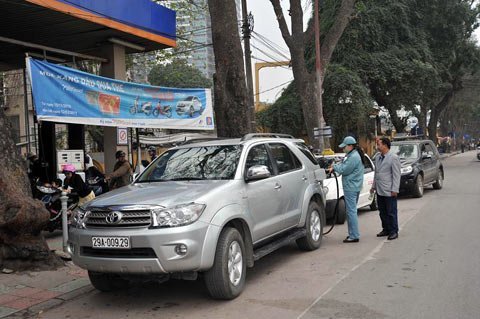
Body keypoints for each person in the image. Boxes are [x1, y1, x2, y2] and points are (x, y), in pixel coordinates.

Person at [328, 136, 365, 243]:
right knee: (352, 211)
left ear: (350, 146)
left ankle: (353, 235)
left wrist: (334, 167)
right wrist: (336, 165)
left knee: (351, 212)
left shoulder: (353, 157)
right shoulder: (352, 155)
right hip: (354, 186)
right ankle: (353, 234)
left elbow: (344, 169)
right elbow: (344, 165)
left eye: (345, 147)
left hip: (351, 187)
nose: (343, 148)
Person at [371, 137, 401, 240]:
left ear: (385, 145)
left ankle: (394, 231)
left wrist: (395, 189)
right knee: (382, 211)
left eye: (379, 144)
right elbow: (377, 173)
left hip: (389, 190)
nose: (377, 146)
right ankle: (386, 229)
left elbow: (396, 175)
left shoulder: (393, 157)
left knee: (391, 212)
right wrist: (373, 186)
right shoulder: (378, 157)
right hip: (379, 189)